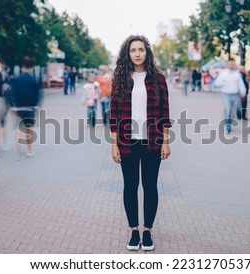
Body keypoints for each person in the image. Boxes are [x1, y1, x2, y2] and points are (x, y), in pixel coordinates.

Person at [110, 35, 171, 251]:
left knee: (150, 186)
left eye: (141, 50)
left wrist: (166, 142)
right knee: (130, 186)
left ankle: (147, 232)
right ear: (128, 54)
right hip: (127, 142)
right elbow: (114, 114)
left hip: (152, 141)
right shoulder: (120, 78)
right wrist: (113, 144)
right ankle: (134, 231)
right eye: (133, 50)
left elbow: (165, 113)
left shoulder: (158, 79)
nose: (137, 54)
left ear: (147, 52)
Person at [9, 56, 41, 160]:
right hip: (30, 107)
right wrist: (36, 105)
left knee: (18, 129)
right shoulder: (33, 80)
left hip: (19, 107)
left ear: (22, 67)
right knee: (29, 129)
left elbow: (12, 93)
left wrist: (13, 106)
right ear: (32, 67)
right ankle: (29, 150)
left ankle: (18, 152)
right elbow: (37, 94)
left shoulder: (16, 79)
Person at [214, 59, 246, 134]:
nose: (231, 66)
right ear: (227, 65)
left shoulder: (237, 75)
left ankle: (230, 124)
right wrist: (222, 84)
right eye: (230, 64)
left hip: (235, 95)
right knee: (227, 110)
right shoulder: (223, 74)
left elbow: (241, 85)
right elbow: (217, 83)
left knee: (233, 112)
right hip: (226, 95)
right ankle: (227, 127)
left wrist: (243, 92)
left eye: (232, 64)